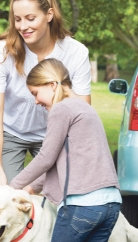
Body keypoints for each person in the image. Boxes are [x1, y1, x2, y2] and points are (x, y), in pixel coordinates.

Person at [0, 0, 91, 185]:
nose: (23, 26)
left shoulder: (76, 52)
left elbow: (82, 114)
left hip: (53, 134)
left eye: (30, 18)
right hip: (9, 132)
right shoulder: (2, 51)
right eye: (17, 20)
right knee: (11, 195)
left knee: (57, 191)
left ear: (49, 15)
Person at [10, 58, 121, 242]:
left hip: (82, 204)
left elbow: (46, 157)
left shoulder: (62, 109)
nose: (36, 101)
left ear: (52, 85)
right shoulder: (84, 108)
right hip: (111, 204)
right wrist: (30, 188)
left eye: (36, 93)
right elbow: (60, 163)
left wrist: (12, 186)